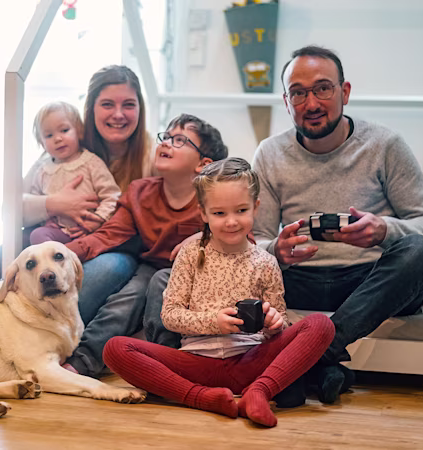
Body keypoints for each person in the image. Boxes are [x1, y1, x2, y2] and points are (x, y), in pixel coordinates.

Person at [249, 45, 423, 405]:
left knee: (420, 251)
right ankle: (324, 366)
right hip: (299, 280)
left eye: (323, 88)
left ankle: (314, 353)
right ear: (286, 100)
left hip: (368, 282)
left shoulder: (385, 145)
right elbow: (257, 238)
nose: (311, 103)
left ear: (345, 92)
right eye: (298, 92)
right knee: (234, 263)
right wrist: (273, 249)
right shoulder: (269, 153)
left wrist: (383, 230)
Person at [103, 158, 335, 428]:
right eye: (219, 213)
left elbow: (279, 322)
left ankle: (258, 392)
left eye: (241, 210)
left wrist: (274, 323)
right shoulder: (191, 254)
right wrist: (214, 322)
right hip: (196, 362)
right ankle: (202, 398)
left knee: (321, 324)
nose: (232, 222)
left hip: (252, 360)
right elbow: (170, 315)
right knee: (116, 348)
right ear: (203, 213)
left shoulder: (266, 262)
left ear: (255, 207)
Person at [0, 65, 154, 330]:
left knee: (110, 267)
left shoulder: (150, 155)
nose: (118, 114)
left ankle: (33, 329)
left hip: (111, 248)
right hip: (57, 235)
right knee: (13, 246)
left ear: (140, 108)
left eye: (128, 104)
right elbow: (10, 210)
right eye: (107, 104)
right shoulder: (63, 146)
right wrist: (54, 204)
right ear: (90, 109)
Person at [62, 113, 229, 378]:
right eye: (165, 137)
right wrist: (64, 252)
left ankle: (166, 361)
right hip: (150, 268)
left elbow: (241, 241)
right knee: (125, 301)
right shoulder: (140, 192)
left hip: (199, 277)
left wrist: (202, 240)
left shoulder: (216, 200)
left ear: (203, 164)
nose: (165, 144)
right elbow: (108, 234)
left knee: (160, 286)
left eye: (179, 140)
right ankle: (81, 362)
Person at [26, 101, 121, 245]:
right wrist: (47, 221)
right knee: (37, 235)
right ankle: (55, 265)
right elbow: (36, 203)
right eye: (49, 135)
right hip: (58, 233)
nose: (58, 138)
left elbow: (112, 196)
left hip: (89, 232)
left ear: (79, 131)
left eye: (64, 130)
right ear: (41, 143)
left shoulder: (91, 163)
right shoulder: (42, 170)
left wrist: (97, 220)